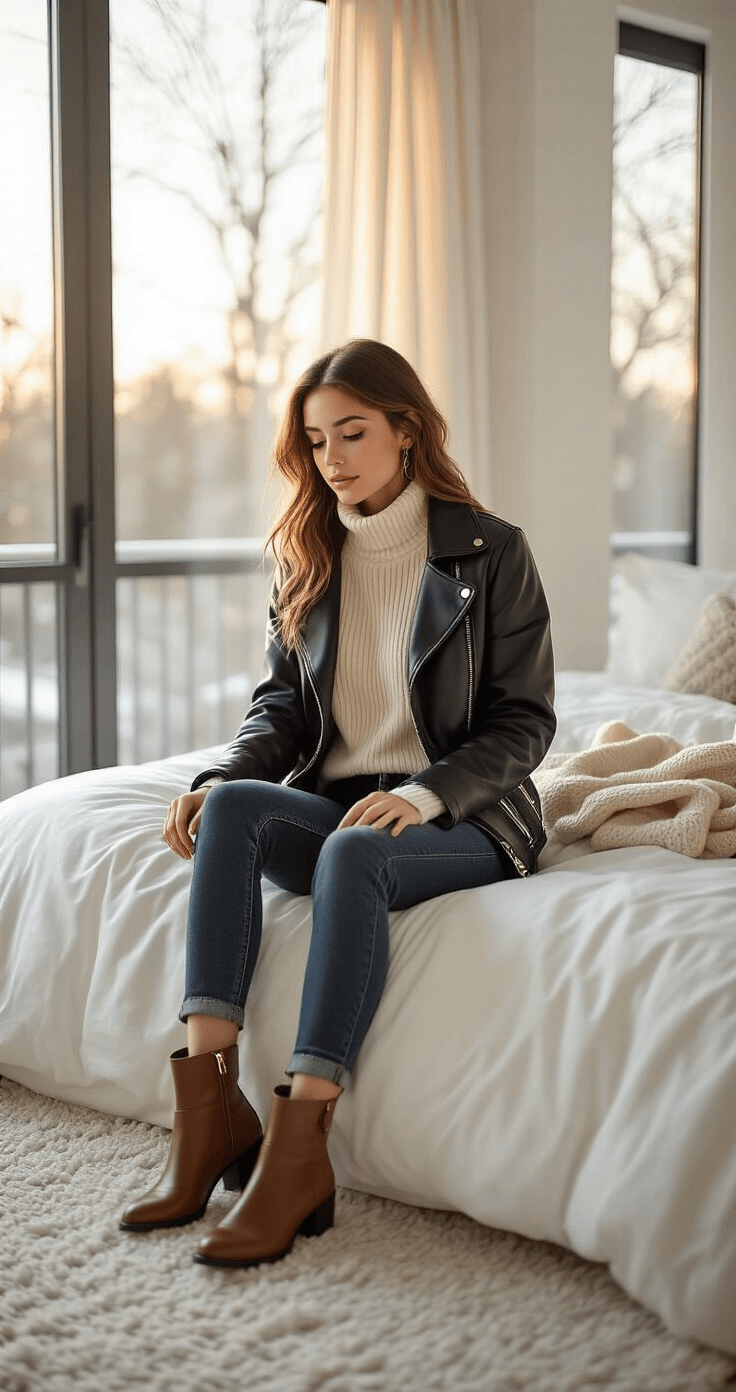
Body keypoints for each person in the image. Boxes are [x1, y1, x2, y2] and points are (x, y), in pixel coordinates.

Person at [119, 337, 556, 1268]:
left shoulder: (492, 552)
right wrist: (216, 778)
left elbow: (525, 723)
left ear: (406, 429)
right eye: (317, 443)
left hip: (469, 815)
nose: (334, 459)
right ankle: (208, 1115)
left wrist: (429, 793)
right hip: (341, 803)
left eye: (352, 434)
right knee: (238, 806)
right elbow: (279, 707)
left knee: (351, 855)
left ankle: (299, 1151)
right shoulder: (309, 554)